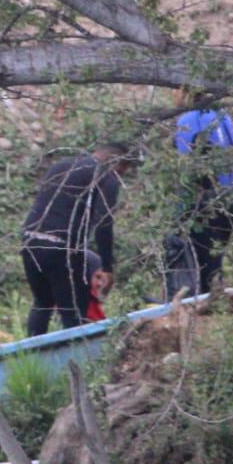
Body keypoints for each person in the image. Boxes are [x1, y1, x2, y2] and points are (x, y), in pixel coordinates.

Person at [21, 141, 137, 336]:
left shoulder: (61, 166)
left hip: (29, 240)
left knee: (42, 303)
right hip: (61, 246)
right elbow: (103, 223)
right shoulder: (106, 177)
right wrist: (107, 268)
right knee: (73, 309)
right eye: (123, 171)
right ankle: (80, 362)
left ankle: (32, 358)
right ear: (119, 165)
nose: (121, 176)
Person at [170, 92, 233, 296]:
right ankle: (214, 295)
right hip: (231, 199)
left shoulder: (187, 120)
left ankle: (204, 303)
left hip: (204, 202)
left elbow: (187, 168)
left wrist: (180, 212)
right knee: (215, 259)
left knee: (200, 262)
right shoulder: (223, 117)